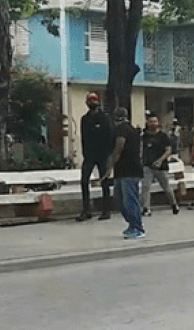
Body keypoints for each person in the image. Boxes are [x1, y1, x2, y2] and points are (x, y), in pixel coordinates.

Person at [104, 107, 145, 239]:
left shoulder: (123, 129)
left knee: (129, 200)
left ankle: (137, 227)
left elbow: (119, 145)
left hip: (129, 170)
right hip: (122, 171)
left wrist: (110, 165)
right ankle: (132, 223)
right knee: (120, 199)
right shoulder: (132, 129)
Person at [77, 93, 113, 221]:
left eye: (94, 100)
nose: (92, 103)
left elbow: (109, 136)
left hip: (102, 154)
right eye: (90, 100)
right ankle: (86, 210)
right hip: (89, 155)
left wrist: (109, 155)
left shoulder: (104, 118)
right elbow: (83, 137)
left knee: (104, 181)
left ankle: (106, 210)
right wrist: (85, 153)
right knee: (84, 181)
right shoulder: (84, 119)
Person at [141, 115, 181, 216]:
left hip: (161, 166)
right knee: (145, 187)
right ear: (147, 123)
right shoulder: (144, 136)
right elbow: (141, 149)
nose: (153, 124)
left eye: (155, 121)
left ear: (158, 123)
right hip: (148, 165)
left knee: (166, 187)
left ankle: (174, 204)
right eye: (151, 122)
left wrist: (160, 160)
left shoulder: (163, 136)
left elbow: (168, 150)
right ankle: (146, 208)